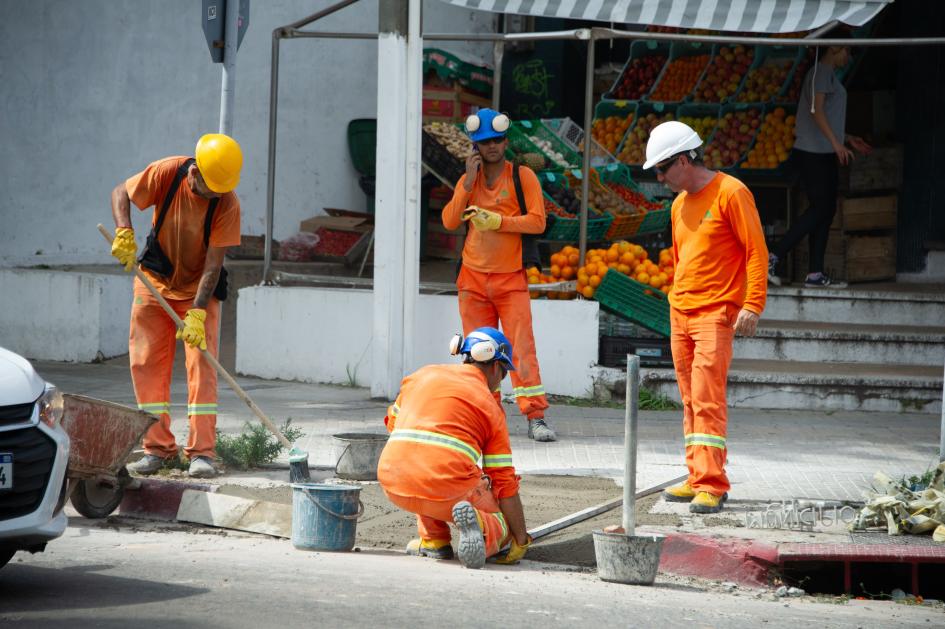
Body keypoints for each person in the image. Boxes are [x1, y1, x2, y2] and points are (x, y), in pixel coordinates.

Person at [643, 121, 768, 514]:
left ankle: (713, 483)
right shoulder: (679, 203)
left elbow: (756, 252)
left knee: (707, 399)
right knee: (689, 400)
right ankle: (697, 476)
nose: (660, 178)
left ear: (683, 160)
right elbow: (681, 261)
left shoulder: (732, 193)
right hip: (681, 311)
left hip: (715, 314)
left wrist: (753, 304)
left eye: (663, 169)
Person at [110, 134, 243, 479]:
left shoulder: (227, 203)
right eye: (208, 188)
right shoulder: (167, 173)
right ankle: (158, 449)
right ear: (195, 171)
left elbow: (213, 266)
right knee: (146, 364)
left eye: (219, 191)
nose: (213, 195)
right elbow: (120, 192)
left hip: (200, 289)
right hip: (154, 280)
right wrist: (124, 230)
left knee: (202, 366)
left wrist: (197, 312)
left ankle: (202, 453)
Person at [441, 108, 556, 442]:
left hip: (510, 278)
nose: (491, 147)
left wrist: (499, 221)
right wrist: (465, 181)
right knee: (478, 351)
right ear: (475, 147)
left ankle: (535, 416)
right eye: (484, 142)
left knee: (521, 349)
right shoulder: (469, 180)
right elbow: (450, 221)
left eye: (496, 141)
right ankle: (487, 419)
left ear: (505, 142)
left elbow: (538, 221)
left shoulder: (522, 176)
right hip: (472, 279)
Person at [377, 327, 532, 569]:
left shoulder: (422, 375)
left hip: (394, 482)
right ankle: (482, 528)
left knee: (424, 458)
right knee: (500, 523)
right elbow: (503, 481)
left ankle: (434, 541)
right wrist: (520, 539)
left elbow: (392, 423)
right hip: (446, 490)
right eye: (503, 375)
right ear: (495, 368)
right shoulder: (491, 408)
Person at [768, 33, 872, 287]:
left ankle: (815, 273)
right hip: (814, 152)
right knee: (821, 208)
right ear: (835, 46)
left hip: (822, 151)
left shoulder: (826, 75)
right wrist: (837, 144)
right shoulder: (821, 72)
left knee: (826, 210)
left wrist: (846, 138)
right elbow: (816, 111)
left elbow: (824, 115)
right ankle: (772, 256)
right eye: (848, 49)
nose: (849, 56)